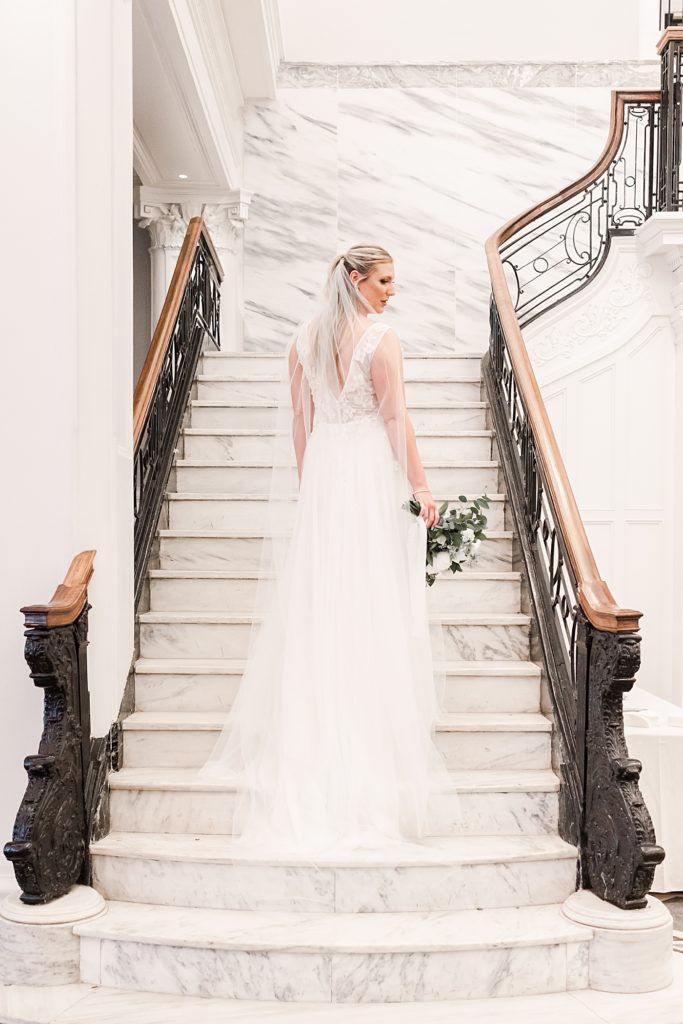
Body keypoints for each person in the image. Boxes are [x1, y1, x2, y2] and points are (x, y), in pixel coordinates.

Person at [199, 244, 456, 857]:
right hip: (365, 471)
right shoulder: (382, 341)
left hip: (325, 472)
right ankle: (365, 745)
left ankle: (317, 736)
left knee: (324, 603)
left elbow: (300, 420)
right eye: (386, 280)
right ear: (358, 280)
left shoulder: (303, 339)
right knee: (365, 600)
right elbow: (397, 423)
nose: (392, 290)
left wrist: (308, 483)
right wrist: (421, 486)